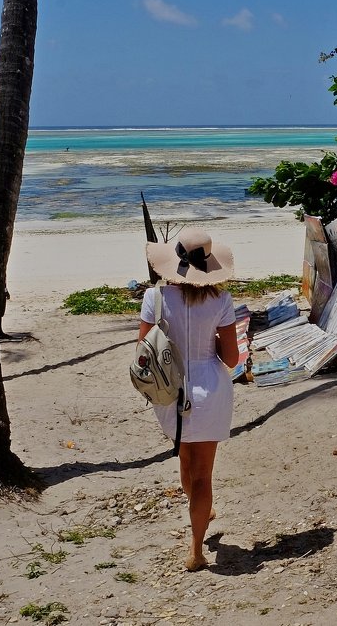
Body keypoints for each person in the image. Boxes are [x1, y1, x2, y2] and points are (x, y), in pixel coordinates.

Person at [139, 228, 239, 572]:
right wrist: (209, 336)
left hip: (170, 389)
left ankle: (198, 517)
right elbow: (232, 359)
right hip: (210, 386)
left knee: (185, 462)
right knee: (203, 475)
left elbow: (144, 351)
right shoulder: (222, 301)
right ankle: (196, 549)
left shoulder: (156, 297)